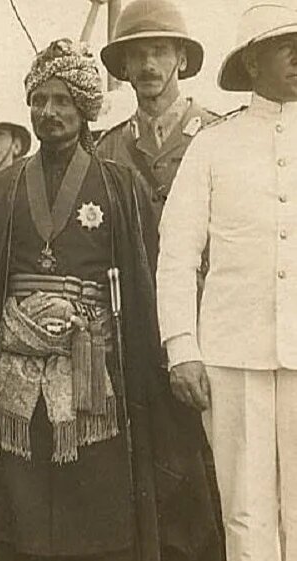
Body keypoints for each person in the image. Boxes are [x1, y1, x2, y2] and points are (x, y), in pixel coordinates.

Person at [0, 38, 223, 560]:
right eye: (40, 100)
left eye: (63, 101)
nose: (49, 112)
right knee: (19, 493)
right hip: (15, 363)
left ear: (86, 108)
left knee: (95, 496)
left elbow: (144, 279)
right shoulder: (1, 187)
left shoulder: (118, 184)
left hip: (95, 365)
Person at [157, 4, 297, 560]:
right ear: (252, 62)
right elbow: (177, 253)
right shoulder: (214, 145)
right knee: (245, 512)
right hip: (233, 356)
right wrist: (181, 348)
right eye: (285, 46)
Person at [96, 0, 218, 219]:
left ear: (181, 60)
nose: (148, 65)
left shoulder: (216, 135)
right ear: (124, 66)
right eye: (136, 54)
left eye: (160, 51)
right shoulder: (108, 149)